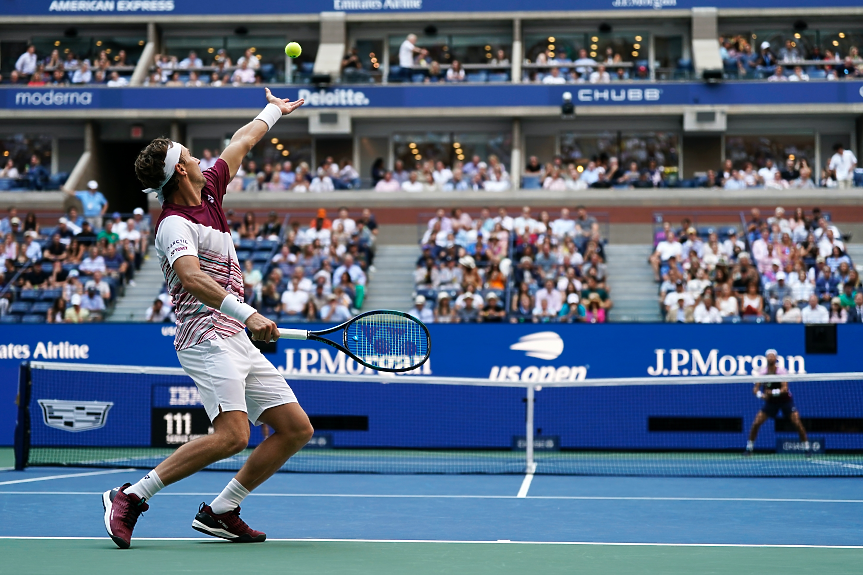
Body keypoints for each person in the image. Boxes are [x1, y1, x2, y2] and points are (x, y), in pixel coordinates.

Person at [102, 88, 310, 550]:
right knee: (234, 435)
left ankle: (221, 510)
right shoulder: (174, 224)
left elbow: (243, 140)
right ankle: (131, 496)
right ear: (180, 168)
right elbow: (193, 279)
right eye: (192, 155)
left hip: (235, 335)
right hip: (204, 336)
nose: (201, 159)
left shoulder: (212, 188)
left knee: (296, 429)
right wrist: (250, 312)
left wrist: (274, 110)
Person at [746, 349, 809, 455]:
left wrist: (771, 392)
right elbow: (755, 390)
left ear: (776, 358)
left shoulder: (781, 371)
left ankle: (807, 448)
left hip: (785, 401)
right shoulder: (762, 373)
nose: (770, 358)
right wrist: (761, 395)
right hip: (771, 403)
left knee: (797, 423)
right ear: (766, 358)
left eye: (772, 356)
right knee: (756, 423)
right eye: (769, 356)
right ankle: (749, 448)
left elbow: (784, 389)